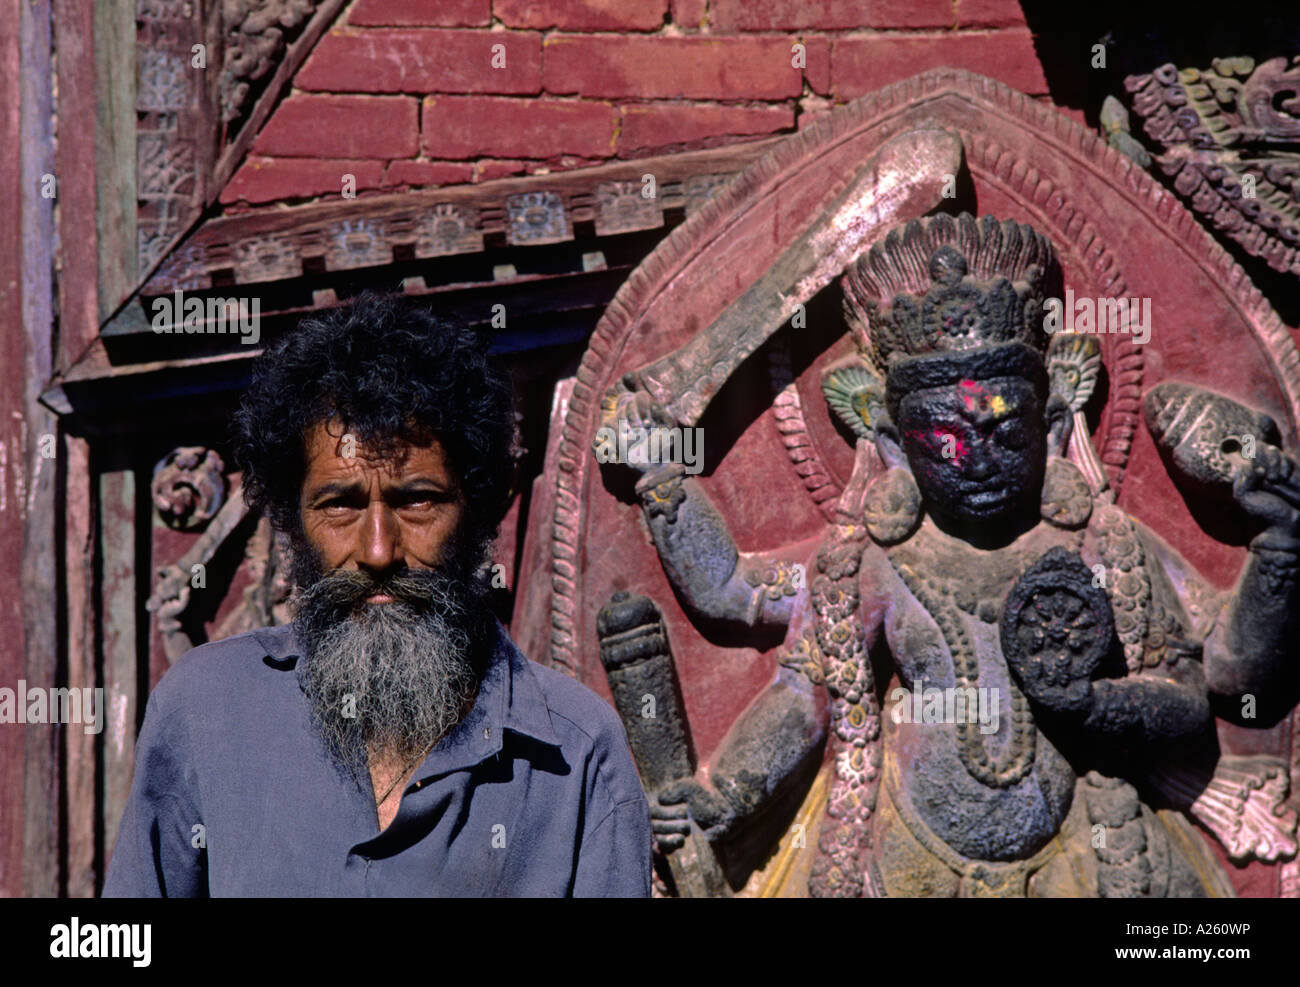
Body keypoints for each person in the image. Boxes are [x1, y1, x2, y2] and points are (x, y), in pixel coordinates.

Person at [104, 291, 651, 897]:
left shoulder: (577, 754)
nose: (378, 550)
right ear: (293, 519)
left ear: (477, 510)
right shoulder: (205, 709)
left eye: (417, 500)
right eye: (339, 504)